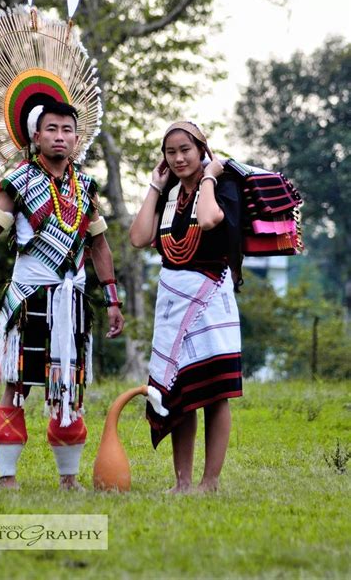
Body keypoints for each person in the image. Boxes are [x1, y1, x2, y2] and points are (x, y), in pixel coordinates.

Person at [0, 94, 124, 490]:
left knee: (69, 384)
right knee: (16, 385)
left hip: (72, 302)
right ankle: (7, 477)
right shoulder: (17, 183)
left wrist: (113, 298)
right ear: (36, 136)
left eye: (67, 130)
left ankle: (69, 479)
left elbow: (98, 245)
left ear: (76, 138)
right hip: (29, 298)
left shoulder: (86, 187)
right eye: (51, 129)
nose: (59, 137)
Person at [130, 120, 242, 494]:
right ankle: (182, 483)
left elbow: (210, 219)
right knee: (179, 394)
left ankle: (209, 483)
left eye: (185, 150)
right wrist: (154, 186)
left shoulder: (223, 187)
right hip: (172, 299)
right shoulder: (169, 193)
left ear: (201, 151)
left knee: (213, 392)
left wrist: (210, 176)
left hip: (210, 297)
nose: (178, 158)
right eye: (170, 152)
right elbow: (139, 238)